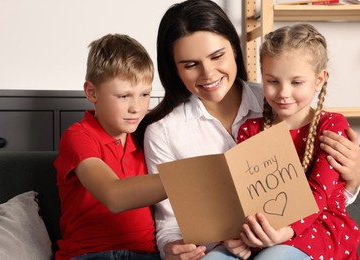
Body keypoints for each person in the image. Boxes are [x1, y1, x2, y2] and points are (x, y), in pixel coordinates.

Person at [137, 0, 360, 259]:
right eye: (190, 64)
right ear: (174, 69)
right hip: (235, 243)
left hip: (303, 236)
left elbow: (326, 196)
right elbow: (170, 222)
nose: (208, 73)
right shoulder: (164, 132)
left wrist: (353, 179)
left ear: (235, 49)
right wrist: (172, 247)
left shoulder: (277, 100)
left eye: (217, 56)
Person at [234, 23, 360, 260]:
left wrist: (285, 232)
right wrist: (240, 235)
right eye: (272, 81)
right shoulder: (249, 130)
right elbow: (244, 196)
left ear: (319, 80)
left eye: (296, 82)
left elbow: (319, 193)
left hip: (320, 225)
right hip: (266, 226)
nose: (283, 92)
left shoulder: (331, 125)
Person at [54, 34, 166, 260]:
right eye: (124, 96)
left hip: (148, 254)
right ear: (92, 93)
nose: (136, 107)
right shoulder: (79, 136)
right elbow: (113, 195)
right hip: (91, 254)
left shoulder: (148, 134)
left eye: (145, 94)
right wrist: (190, 179)